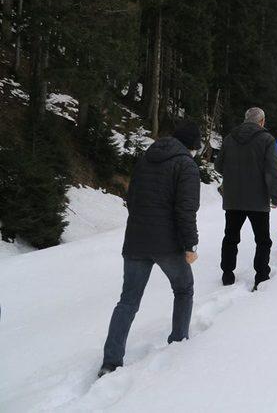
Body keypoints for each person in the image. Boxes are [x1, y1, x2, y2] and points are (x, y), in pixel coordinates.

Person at [99, 121, 202, 378]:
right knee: (184, 288)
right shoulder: (186, 165)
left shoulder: (147, 158)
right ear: (192, 146)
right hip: (168, 243)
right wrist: (190, 245)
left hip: (136, 239)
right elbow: (186, 210)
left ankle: (110, 362)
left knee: (128, 301)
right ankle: (178, 342)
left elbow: (131, 197)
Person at [214, 107, 277, 290]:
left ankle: (227, 274)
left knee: (230, 237)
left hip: (233, 198)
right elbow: (273, 171)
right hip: (257, 199)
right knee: (262, 240)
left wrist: (235, 173)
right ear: (262, 121)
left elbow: (218, 165)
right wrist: (276, 196)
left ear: (245, 120)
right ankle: (261, 275)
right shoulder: (266, 140)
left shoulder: (230, 138)